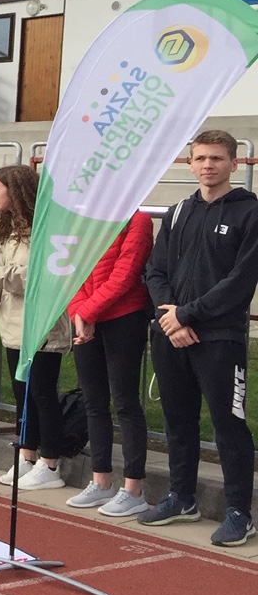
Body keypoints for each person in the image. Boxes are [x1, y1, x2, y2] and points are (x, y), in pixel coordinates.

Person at [140, 130, 258, 546]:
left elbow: (240, 281)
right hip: (172, 333)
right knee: (178, 421)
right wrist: (170, 318)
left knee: (229, 425)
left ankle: (239, 513)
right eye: (201, 158)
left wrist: (187, 314)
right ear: (190, 164)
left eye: (217, 158)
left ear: (234, 164)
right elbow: (155, 271)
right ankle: (182, 497)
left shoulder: (250, 213)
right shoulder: (177, 213)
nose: (209, 165)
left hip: (220, 337)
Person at [0, 164, 71, 489]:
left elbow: (40, 277)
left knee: (42, 394)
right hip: (13, 326)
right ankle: (27, 455)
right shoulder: (8, 232)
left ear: (16, 191)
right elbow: (0, 283)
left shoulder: (47, 229)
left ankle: (51, 464)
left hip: (42, 326)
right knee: (23, 395)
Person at [64, 212, 153, 517]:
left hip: (124, 318)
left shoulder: (138, 220)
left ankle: (134, 489)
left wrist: (87, 312)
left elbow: (125, 274)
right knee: (94, 401)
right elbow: (71, 271)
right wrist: (79, 313)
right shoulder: (85, 221)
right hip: (86, 318)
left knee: (125, 402)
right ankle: (101, 480)